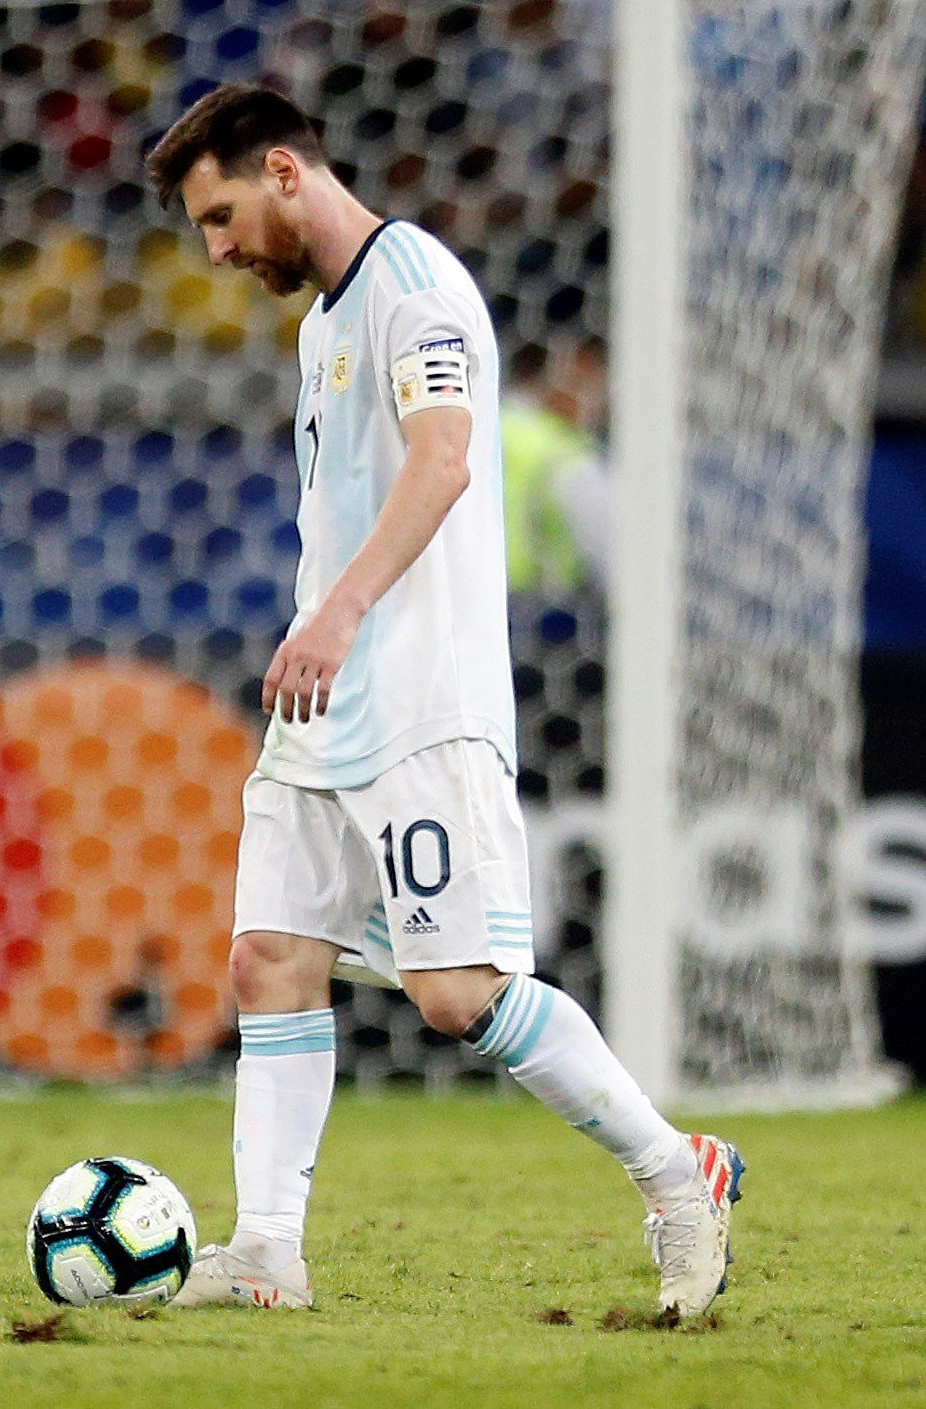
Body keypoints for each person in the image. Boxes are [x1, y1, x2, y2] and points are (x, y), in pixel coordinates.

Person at [140, 83, 741, 1318]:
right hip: (320, 711)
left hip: (417, 700)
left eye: (220, 216)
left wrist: (343, 612)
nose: (216, 251)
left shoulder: (414, 284)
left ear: (287, 171)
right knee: (267, 960)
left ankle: (679, 1175)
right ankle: (265, 1249)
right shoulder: (322, 325)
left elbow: (446, 456)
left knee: (455, 993)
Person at [501, 332, 609, 596]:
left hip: (473, 609)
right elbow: (610, 554)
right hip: (545, 617)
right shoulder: (563, 453)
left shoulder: (483, 426)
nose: (599, 397)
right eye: (591, 379)